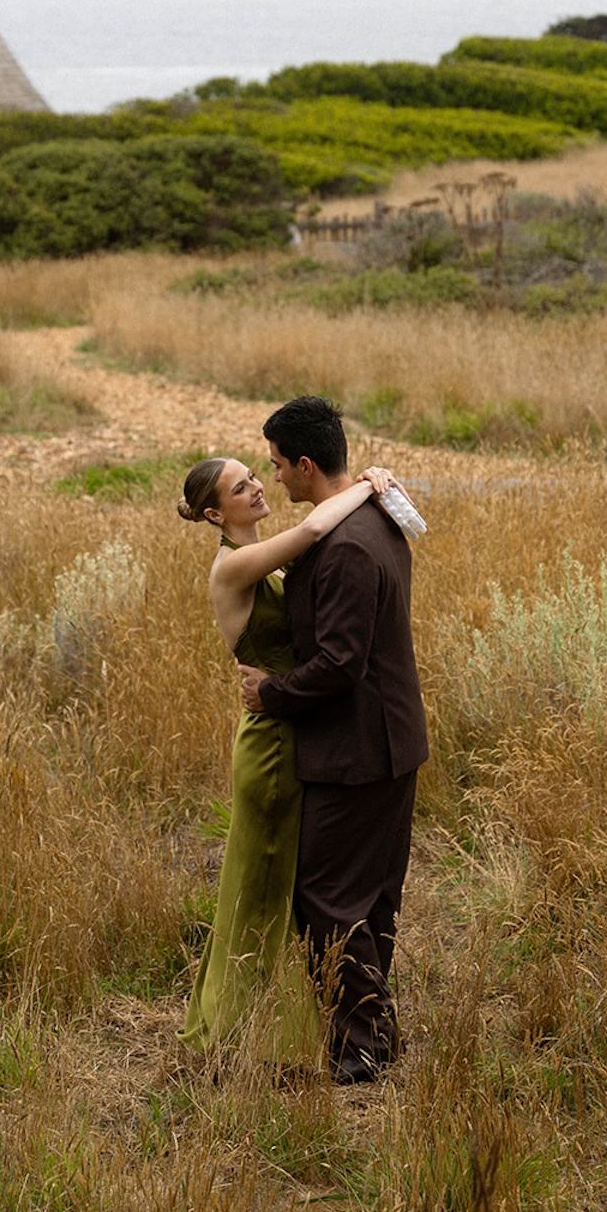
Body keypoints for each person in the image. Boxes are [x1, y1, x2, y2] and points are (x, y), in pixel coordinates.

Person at [177, 453, 398, 1059]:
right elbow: (313, 532)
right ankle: (240, 1034)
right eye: (239, 487)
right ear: (215, 513)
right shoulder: (234, 565)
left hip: (290, 729)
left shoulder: (257, 552)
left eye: (255, 475)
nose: (256, 487)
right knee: (263, 886)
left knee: (287, 887)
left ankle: (287, 1027)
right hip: (272, 745)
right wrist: (367, 486)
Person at [238, 396, 428, 1085]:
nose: (275, 477)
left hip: (358, 751)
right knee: (371, 899)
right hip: (390, 740)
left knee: (325, 899)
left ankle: (356, 1052)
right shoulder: (373, 514)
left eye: (280, 465)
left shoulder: (347, 546)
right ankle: (378, 1034)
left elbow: (341, 665)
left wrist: (271, 694)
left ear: (308, 464)